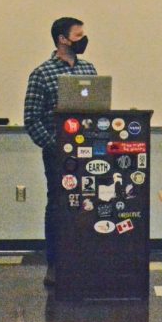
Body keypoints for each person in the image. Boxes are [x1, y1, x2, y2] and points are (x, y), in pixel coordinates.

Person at [24, 17, 97, 287]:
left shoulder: (89, 70)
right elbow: (31, 119)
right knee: (57, 206)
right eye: (78, 35)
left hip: (90, 152)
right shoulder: (42, 73)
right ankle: (54, 264)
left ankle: (86, 260)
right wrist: (54, 146)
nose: (84, 39)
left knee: (90, 204)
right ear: (63, 39)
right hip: (58, 154)